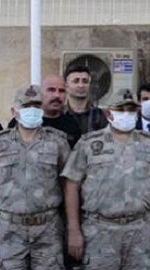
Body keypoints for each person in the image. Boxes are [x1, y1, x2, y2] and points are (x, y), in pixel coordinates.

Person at [62, 89, 150, 270]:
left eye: (131, 110)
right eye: (120, 109)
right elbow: (71, 186)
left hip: (140, 230)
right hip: (99, 230)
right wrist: (74, 230)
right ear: (108, 113)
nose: (126, 114)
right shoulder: (89, 144)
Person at [0, 85, 71, 270]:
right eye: (26, 106)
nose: (32, 110)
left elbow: (68, 185)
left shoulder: (57, 142)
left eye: (37, 105)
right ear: (14, 111)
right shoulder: (2, 143)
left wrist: (72, 226)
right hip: (8, 231)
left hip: (48, 229)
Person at [64, 65, 109, 134]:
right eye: (76, 81)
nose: (81, 85)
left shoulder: (100, 116)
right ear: (66, 85)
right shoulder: (58, 114)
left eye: (85, 81)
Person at [40, 75, 82, 147]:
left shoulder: (72, 125)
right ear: (40, 93)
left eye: (61, 91)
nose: (57, 95)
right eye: (51, 90)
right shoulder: (28, 123)